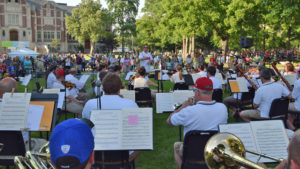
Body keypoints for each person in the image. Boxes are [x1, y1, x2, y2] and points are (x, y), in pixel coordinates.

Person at [166, 77, 228, 169]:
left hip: (192, 153)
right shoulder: (223, 108)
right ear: (212, 92)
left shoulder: (188, 111)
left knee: (176, 146)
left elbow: (169, 121)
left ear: (197, 92)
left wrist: (183, 107)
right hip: (214, 153)